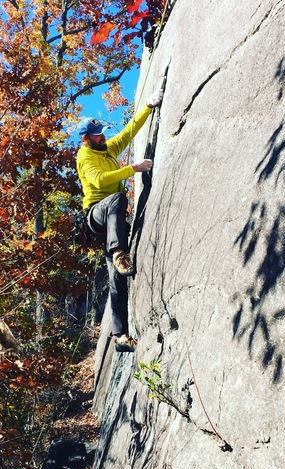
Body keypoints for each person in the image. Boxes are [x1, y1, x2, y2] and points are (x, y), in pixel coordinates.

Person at [76, 86, 163, 352]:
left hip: (111, 220)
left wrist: (148, 106)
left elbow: (128, 133)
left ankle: (120, 336)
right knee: (117, 197)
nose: (102, 136)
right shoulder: (85, 156)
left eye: (102, 132)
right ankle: (118, 252)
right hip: (95, 216)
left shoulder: (106, 149)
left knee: (116, 278)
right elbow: (100, 180)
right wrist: (133, 169)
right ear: (86, 139)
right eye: (96, 135)